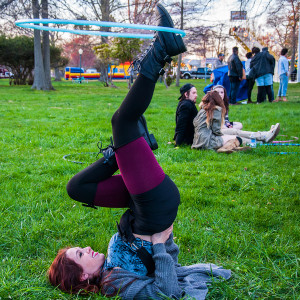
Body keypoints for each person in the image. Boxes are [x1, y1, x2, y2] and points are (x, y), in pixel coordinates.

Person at [48, 4, 231, 298]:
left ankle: (121, 151)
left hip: (142, 208)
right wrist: (159, 245)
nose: (87, 248)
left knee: (76, 188)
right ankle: (160, 52)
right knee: (122, 121)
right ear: (84, 276)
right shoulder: (114, 283)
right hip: (154, 212)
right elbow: (164, 292)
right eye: (82, 254)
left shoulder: (108, 264)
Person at [192, 91, 280, 153]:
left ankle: (263, 136)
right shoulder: (216, 109)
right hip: (208, 142)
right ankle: (260, 142)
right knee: (236, 136)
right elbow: (216, 130)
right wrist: (227, 135)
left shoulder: (202, 110)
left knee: (234, 131)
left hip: (198, 142)